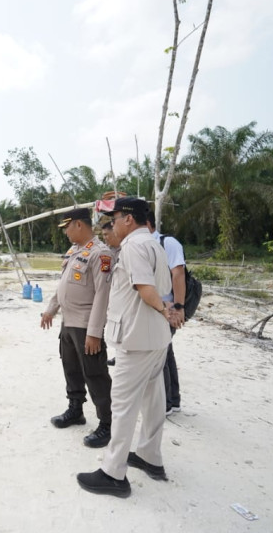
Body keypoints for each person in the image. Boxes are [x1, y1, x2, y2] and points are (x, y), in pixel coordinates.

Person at [77, 197, 181, 498]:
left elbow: (144, 288)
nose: (112, 224)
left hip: (135, 337)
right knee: (152, 399)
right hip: (154, 337)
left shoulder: (134, 246)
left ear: (129, 219)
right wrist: (166, 312)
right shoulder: (152, 243)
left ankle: (113, 473)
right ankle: (150, 457)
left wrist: (164, 309)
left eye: (115, 218)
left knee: (122, 405)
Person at [40, 207, 113, 449]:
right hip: (68, 323)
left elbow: (102, 295)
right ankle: (75, 410)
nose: (65, 233)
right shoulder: (75, 251)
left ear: (79, 225)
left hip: (85, 325)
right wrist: (51, 309)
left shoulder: (100, 253)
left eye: (67, 227)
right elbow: (63, 286)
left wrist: (94, 332)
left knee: (95, 374)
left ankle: (106, 424)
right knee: (70, 369)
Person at [146, 210, 186, 416]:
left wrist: (178, 307)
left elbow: (178, 274)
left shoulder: (167, 243)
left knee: (159, 356)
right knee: (166, 353)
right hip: (157, 308)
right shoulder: (146, 244)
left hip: (167, 308)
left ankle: (166, 403)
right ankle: (173, 400)